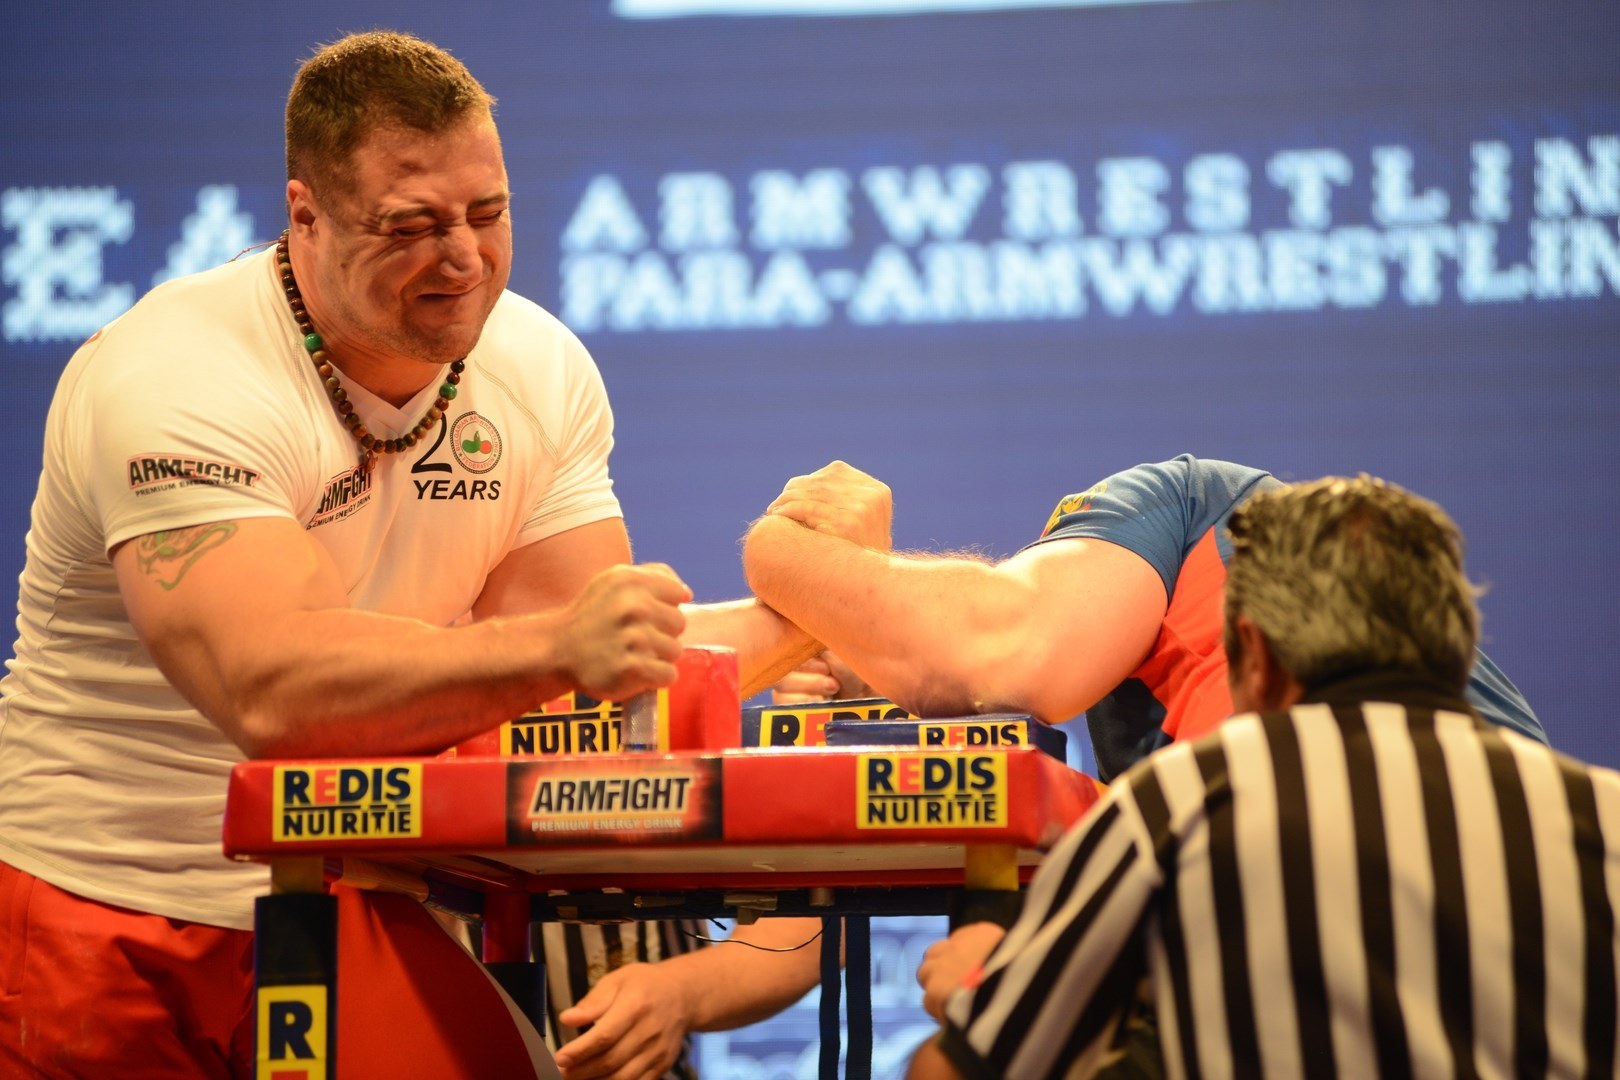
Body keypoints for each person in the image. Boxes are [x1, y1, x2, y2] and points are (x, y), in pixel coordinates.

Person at [0, 31, 822, 1079]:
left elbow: (575, 690)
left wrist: (816, 612)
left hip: (371, 891)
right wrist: (565, 646)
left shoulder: (539, 367)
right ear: (304, 215)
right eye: (414, 226)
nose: (465, 258)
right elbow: (276, 695)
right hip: (106, 902)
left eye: (489, 213)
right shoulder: (175, 374)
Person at [907, 474, 1620, 1078]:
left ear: (1256, 651)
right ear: (1459, 646)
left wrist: (978, 987)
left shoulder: (1188, 800)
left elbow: (963, 1068)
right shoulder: (1605, 814)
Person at [746, 455, 1545, 780]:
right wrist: (876, 650)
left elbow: (992, 651)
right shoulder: (1565, 803)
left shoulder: (1201, 510)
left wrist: (782, 550)